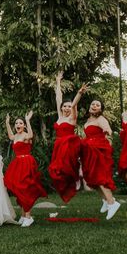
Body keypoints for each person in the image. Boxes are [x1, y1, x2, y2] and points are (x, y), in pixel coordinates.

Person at [3, 110, 47, 227]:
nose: (18, 125)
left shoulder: (26, 135)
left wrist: (28, 120)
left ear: (23, 126)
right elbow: (10, 136)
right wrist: (7, 123)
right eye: (16, 123)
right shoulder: (16, 136)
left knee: (25, 188)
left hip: (26, 162)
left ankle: (28, 216)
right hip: (17, 163)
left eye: (20, 123)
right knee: (18, 188)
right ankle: (23, 215)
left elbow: (31, 135)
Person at [80, 99, 121, 220]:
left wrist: (108, 136)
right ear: (89, 107)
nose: (94, 106)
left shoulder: (101, 119)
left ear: (100, 109)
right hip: (89, 151)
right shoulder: (88, 120)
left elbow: (108, 132)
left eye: (98, 105)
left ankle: (112, 203)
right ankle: (105, 200)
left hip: (98, 152)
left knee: (100, 178)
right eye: (93, 104)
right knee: (92, 179)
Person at [48, 73, 85, 204]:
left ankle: (77, 173)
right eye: (65, 106)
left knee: (66, 166)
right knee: (57, 170)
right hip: (59, 145)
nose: (67, 108)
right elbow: (59, 98)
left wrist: (79, 93)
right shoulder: (60, 116)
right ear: (62, 108)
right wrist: (58, 82)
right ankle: (72, 179)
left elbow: (75, 105)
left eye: (69, 106)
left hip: (69, 145)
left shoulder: (72, 117)